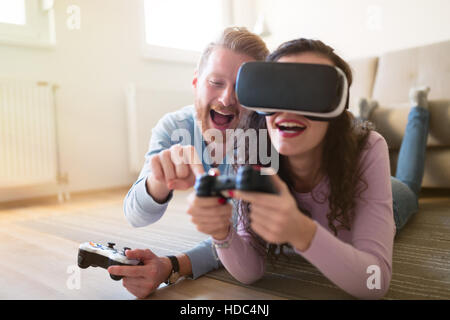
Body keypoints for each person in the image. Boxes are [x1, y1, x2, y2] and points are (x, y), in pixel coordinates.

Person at [186, 38, 431, 299]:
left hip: (385, 198)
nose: (289, 110)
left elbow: (374, 282)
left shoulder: (369, 148)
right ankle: (365, 110)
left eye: (310, 93)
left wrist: (302, 232)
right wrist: (221, 232)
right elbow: (251, 271)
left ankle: (419, 109)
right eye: (279, 90)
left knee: (409, 187)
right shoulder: (255, 151)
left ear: (334, 105)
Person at [108, 27, 270, 299]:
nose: (227, 99)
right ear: (196, 83)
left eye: (242, 89)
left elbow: (243, 242)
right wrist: (158, 182)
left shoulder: (264, 137)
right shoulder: (174, 127)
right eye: (216, 82)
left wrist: (173, 265)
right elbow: (135, 216)